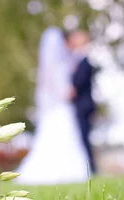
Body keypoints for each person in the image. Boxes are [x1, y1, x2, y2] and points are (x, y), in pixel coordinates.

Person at [15, 27, 91, 185]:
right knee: (61, 137)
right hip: (60, 107)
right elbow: (60, 89)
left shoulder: (59, 63)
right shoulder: (60, 64)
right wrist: (68, 93)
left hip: (57, 108)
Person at [66, 30, 98, 174]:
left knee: (85, 139)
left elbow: (79, 82)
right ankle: (88, 169)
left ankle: (91, 169)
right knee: (80, 139)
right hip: (75, 107)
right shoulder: (74, 60)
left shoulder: (85, 61)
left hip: (84, 107)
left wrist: (71, 90)